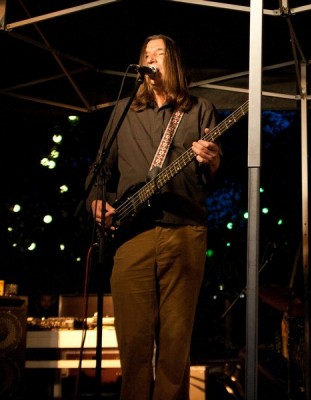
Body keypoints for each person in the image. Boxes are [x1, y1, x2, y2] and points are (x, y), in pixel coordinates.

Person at [85, 34, 221, 400]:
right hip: (132, 234)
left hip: (184, 229)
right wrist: (96, 202)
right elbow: (99, 170)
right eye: (146, 54)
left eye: (158, 53)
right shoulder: (124, 111)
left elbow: (213, 177)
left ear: (173, 62)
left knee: (176, 338)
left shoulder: (199, 109)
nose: (151, 59)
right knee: (133, 338)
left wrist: (212, 161)